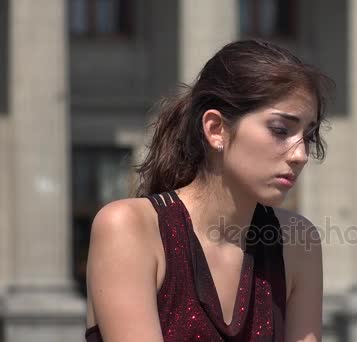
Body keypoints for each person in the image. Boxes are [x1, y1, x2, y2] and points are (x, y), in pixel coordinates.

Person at [84, 39, 333, 341]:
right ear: (216, 129)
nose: (301, 155)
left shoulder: (298, 241)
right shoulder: (128, 227)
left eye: (308, 136)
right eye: (281, 130)